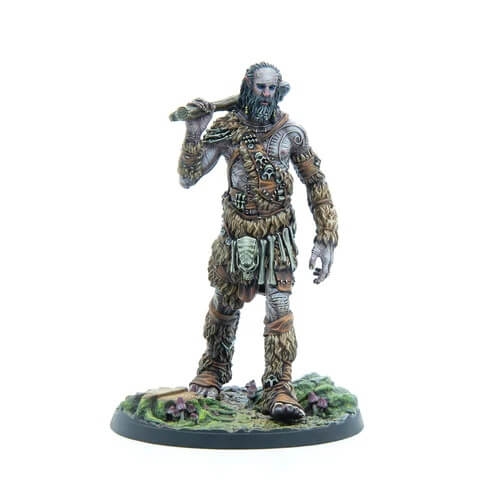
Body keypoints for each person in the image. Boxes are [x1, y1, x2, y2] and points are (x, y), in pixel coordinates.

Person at [177, 62, 338, 421]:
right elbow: (188, 177)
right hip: (236, 233)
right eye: (260, 87)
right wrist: (193, 134)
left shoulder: (291, 133)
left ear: (278, 91)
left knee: (279, 307)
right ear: (248, 87)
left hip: (277, 235)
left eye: (271, 88)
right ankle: (214, 368)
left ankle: (279, 385)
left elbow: (316, 183)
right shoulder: (228, 130)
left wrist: (326, 237)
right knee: (225, 302)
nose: (266, 94)